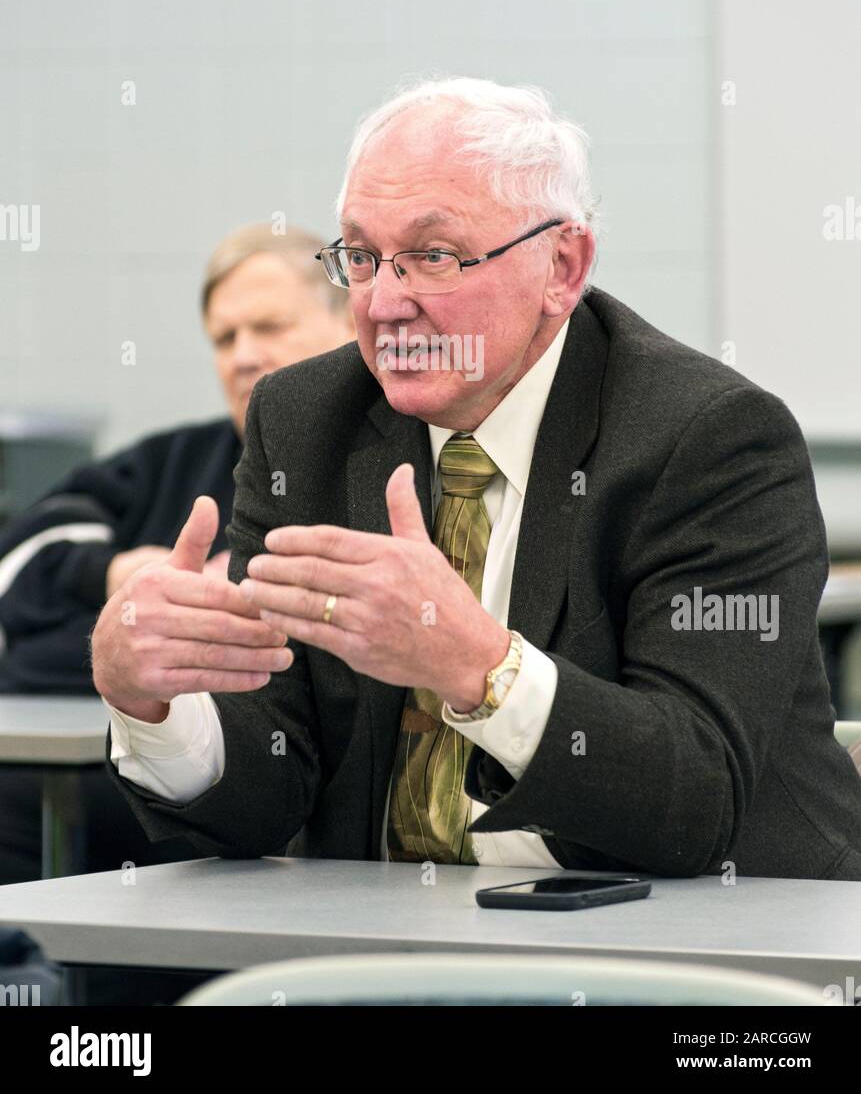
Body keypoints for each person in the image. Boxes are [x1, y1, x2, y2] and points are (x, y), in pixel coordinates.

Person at [93, 78, 861, 880]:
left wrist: (481, 669)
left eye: (434, 256)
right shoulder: (304, 419)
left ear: (562, 266)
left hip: (707, 942)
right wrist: (151, 702)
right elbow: (272, 786)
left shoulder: (707, 437)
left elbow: (694, 797)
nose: (385, 304)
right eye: (360, 257)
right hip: (387, 951)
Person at [0, 223, 354, 886]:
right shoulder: (172, 461)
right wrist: (119, 579)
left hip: (232, 819)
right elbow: (20, 571)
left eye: (269, 326)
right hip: (96, 778)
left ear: (350, 327)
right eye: (225, 338)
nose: (244, 356)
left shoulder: (369, 471)